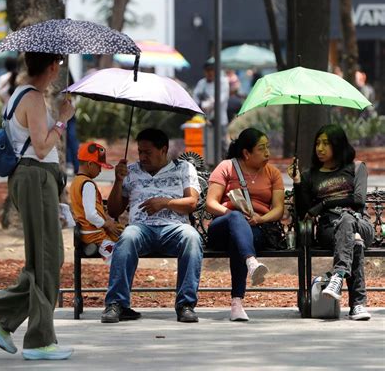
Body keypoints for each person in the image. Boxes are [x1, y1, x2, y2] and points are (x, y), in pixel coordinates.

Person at [0, 52, 76, 360]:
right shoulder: (32, 98)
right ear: (50, 67)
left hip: (34, 179)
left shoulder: (18, 94)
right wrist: (63, 119)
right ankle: (39, 341)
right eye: (58, 64)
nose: (59, 69)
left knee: (45, 259)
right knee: (48, 258)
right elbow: (43, 144)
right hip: (35, 178)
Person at [101, 128, 203, 323]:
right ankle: (117, 304)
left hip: (174, 228)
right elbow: (114, 211)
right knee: (128, 237)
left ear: (163, 149)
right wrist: (118, 181)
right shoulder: (131, 171)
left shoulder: (183, 168)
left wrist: (164, 202)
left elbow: (192, 203)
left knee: (191, 237)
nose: (142, 157)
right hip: (141, 229)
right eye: (140, 151)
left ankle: (185, 305)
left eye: (147, 152)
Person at [287, 124, 374, 321]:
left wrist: (324, 203)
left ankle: (339, 275)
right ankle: (357, 305)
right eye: (317, 143)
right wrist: (298, 181)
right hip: (329, 229)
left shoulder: (357, 168)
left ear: (338, 144)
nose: (320, 148)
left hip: (361, 223)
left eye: (326, 143)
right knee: (355, 241)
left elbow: (358, 200)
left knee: (349, 221)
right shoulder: (311, 175)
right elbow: (303, 212)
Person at [205, 128, 284, 321]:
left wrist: (260, 219)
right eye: (261, 148)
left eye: (268, 147)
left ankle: (237, 304)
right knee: (236, 219)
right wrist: (232, 215)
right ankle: (251, 262)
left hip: (256, 229)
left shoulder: (273, 173)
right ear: (246, 153)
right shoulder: (226, 167)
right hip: (222, 227)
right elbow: (211, 203)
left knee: (239, 241)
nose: (267, 153)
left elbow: (278, 209)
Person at [69, 141, 122, 264]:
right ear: (90, 164)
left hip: (86, 232)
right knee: (121, 256)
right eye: (99, 166)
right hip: (95, 234)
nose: (100, 171)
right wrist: (107, 224)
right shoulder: (87, 184)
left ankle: (92, 247)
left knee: (121, 231)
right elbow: (90, 215)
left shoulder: (76, 181)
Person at [193, 62, 229, 145]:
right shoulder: (201, 83)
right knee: (207, 145)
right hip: (204, 121)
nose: (209, 73)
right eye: (207, 71)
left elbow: (221, 99)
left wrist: (208, 103)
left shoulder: (223, 82)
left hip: (219, 120)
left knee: (222, 144)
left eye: (211, 70)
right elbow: (195, 98)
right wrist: (201, 104)